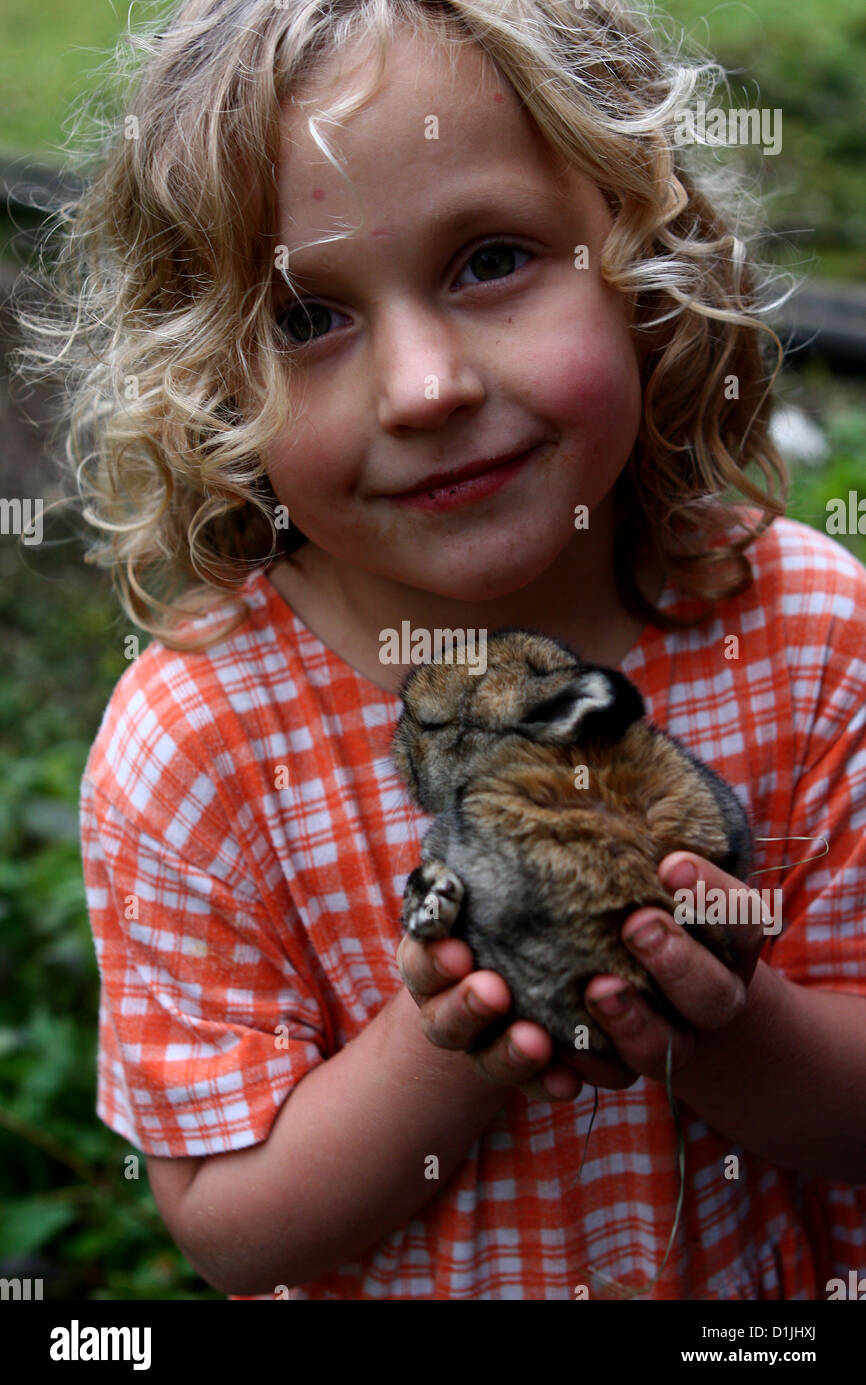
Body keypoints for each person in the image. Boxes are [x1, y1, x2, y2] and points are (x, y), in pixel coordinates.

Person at [14, 0, 866, 1299]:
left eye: (489, 260)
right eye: (306, 319)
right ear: (210, 383)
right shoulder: (198, 741)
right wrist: (458, 1035)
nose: (425, 387)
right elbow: (235, 1225)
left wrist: (714, 1018)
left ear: (640, 249)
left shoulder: (807, 635)